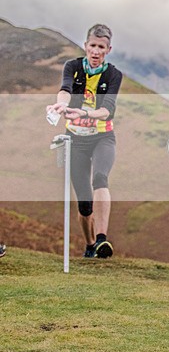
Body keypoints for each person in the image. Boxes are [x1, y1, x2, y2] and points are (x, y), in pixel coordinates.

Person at [46, 24, 122, 259]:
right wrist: (62, 105)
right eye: (93, 46)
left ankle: (101, 239)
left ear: (108, 49)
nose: (96, 51)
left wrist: (85, 114)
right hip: (75, 140)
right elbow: (65, 90)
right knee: (84, 203)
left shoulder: (113, 74)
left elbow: (107, 110)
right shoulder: (73, 66)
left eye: (101, 47)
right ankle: (90, 244)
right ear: (86, 45)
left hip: (103, 137)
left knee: (100, 178)